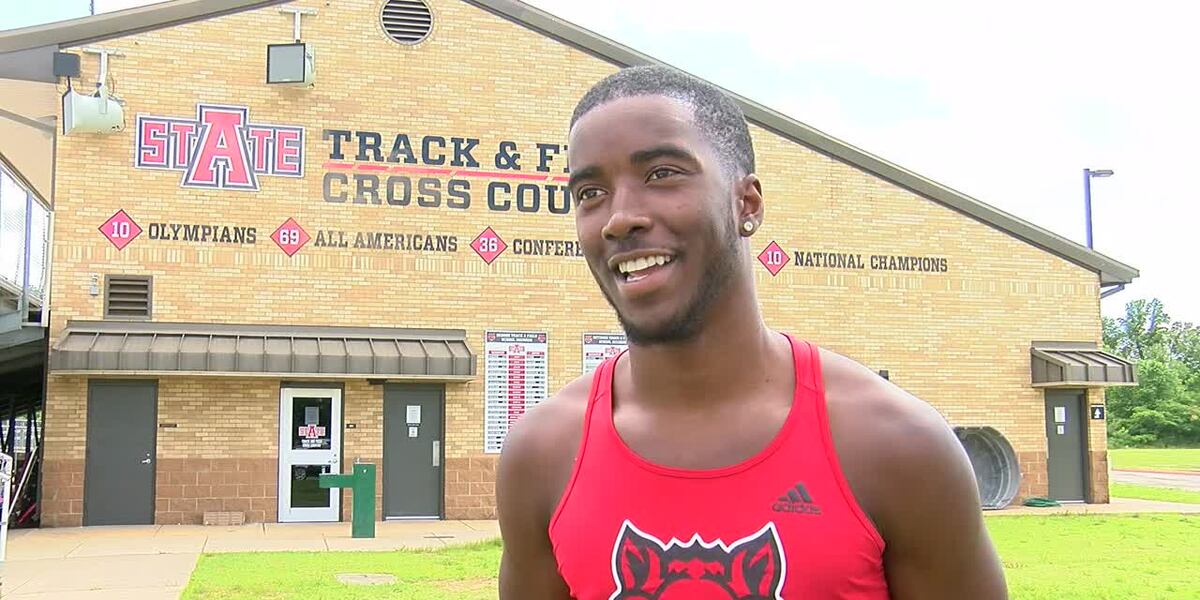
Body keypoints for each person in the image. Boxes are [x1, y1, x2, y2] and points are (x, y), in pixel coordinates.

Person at [497, 65, 1008, 599]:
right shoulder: (542, 455)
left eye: (662, 174)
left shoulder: (897, 445)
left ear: (748, 203)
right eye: (591, 192)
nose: (618, 218)